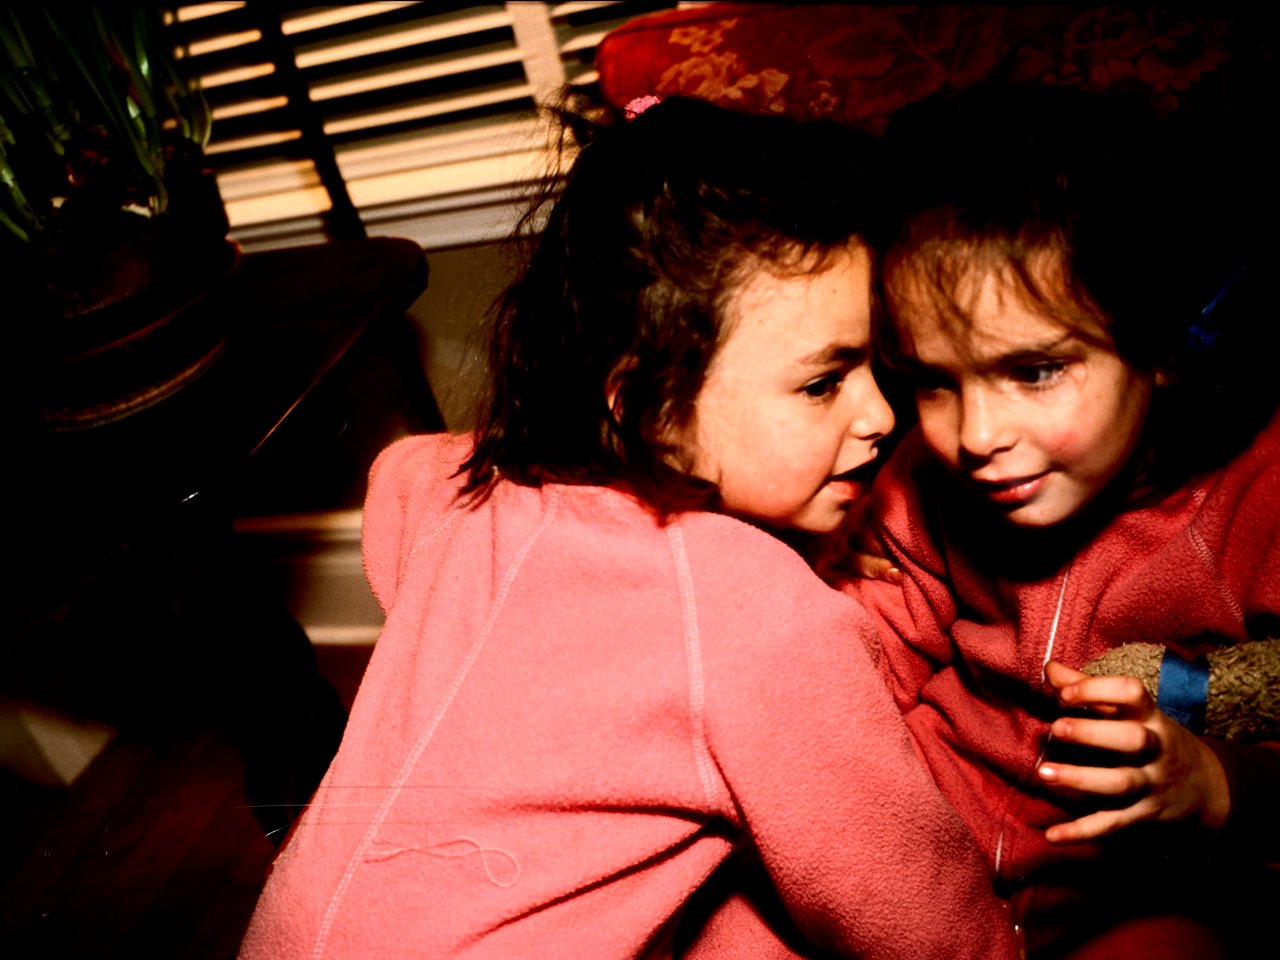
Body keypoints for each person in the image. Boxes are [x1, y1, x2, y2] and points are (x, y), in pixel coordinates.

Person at [236, 95, 1018, 960]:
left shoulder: (462, 488)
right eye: (822, 384)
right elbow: (910, 903)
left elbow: (399, 479)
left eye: (879, 366)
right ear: (647, 406)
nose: (880, 415)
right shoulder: (762, 617)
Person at [847, 83, 1280, 959]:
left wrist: (1218, 781)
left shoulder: (1255, 497)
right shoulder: (920, 486)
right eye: (934, 381)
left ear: (1162, 344)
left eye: (1034, 371)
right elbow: (859, 666)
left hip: (1141, 893)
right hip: (924, 868)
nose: (976, 436)